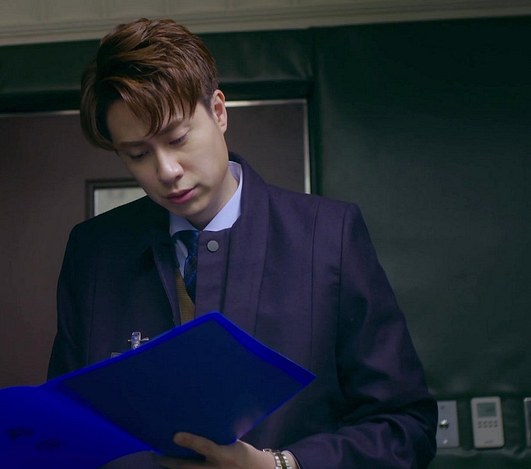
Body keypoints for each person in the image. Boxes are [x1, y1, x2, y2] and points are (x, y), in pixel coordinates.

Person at [48, 18, 437, 469]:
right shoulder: (93, 252)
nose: (167, 170)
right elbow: (65, 429)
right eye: (137, 154)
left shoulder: (328, 236)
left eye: (178, 138)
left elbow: (405, 426)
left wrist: (281, 465)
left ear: (218, 111)